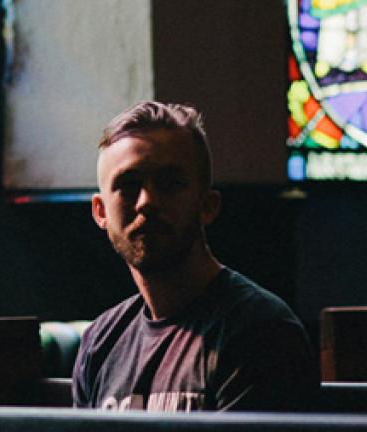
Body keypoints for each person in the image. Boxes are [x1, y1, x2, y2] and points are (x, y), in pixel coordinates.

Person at [73, 102, 317, 412]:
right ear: (100, 211)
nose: (147, 202)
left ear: (208, 206)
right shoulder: (100, 343)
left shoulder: (260, 334)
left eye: (170, 184)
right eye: (129, 186)